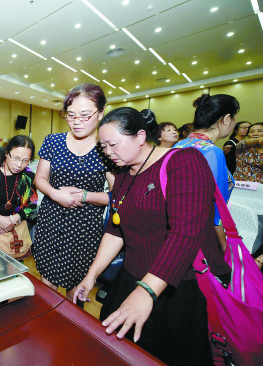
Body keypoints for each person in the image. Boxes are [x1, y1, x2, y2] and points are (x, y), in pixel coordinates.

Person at [73, 107, 230, 366]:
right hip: (130, 278)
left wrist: (146, 291)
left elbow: (185, 234)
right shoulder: (123, 175)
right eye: (103, 146)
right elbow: (116, 228)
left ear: (140, 136)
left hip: (174, 288)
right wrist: (92, 275)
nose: (108, 152)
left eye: (113, 144)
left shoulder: (185, 162)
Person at [33, 83, 115, 301]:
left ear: (101, 113)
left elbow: (117, 197)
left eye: (85, 115)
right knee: (46, 289)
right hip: (51, 223)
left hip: (84, 231)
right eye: (70, 115)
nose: (76, 122)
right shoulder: (53, 141)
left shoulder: (107, 148)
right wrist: (54, 194)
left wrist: (86, 196)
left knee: (75, 294)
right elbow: (39, 178)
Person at [174, 94, 239, 252]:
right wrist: (225, 249)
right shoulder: (212, 152)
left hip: (177, 231)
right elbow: (216, 211)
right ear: (226, 119)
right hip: (202, 238)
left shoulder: (178, 145)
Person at [0, 135, 38, 243]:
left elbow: (32, 205)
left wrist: (12, 220)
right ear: (6, 153)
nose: (19, 165)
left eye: (25, 160)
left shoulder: (28, 176)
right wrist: (1, 220)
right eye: (16, 158)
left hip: (16, 236)